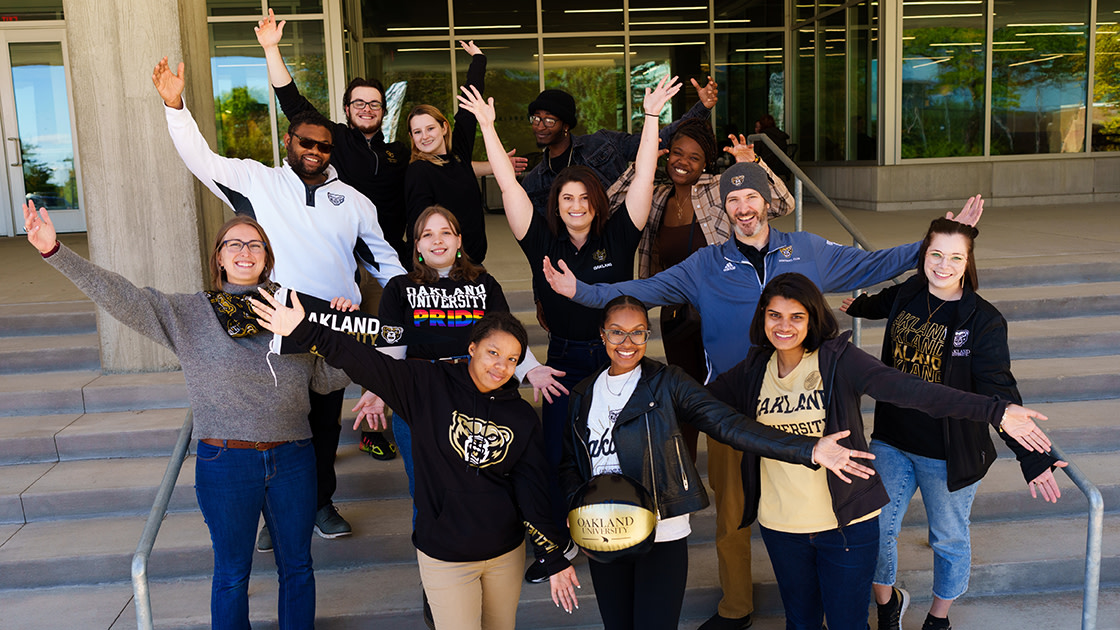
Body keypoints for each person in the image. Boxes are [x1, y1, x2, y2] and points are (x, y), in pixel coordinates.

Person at [541, 162, 985, 630]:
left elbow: (875, 264)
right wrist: (583, 292)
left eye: (750, 197)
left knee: (813, 507)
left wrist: (938, 249)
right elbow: (641, 290)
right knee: (733, 517)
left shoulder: (808, 249)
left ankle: (830, 589)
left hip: (806, 409)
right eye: (732, 200)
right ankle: (737, 606)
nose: (743, 207)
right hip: (733, 413)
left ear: (768, 201)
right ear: (724, 209)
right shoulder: (705, 264)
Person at [24, 204, 348, 629]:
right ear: (219, 256)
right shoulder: (190, 313)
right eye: (235, 244)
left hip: (293, 458)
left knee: (299, 568)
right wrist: (55, 251)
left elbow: (326, 381)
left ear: (268, 256)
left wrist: (341, 332)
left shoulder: (296, 310)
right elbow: (122, 297)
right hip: (227, 462)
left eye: (255, 245)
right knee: (232, 576)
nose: (245, 252)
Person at [706, 272, 1052, 630]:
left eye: (797, 316)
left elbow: (913, 390)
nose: (784, 326)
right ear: (762, 316)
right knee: (801, 622)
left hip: (845, 527)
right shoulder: (751, 372)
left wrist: (995, 410)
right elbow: (699, 405)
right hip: (782, 526)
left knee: (848, 624)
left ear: (812, 318)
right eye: (774, 315)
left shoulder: (837, 359)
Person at [153, 57, 407, 542]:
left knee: (325, 419)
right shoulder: (256, 181)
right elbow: (200, 160)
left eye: (325, 146)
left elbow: (386, 265)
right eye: (306, 142)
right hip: (274, 318)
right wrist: (174, 106)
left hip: (335, 320)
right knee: (281, 420)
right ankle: (275, 517)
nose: (315, 151)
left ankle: (320, 503)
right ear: (288, 142)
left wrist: (408, 308)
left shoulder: (355, 201)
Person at [252, 292, 581, 630]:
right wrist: (304, 330)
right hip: (446, 555)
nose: (500, 366)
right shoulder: (427, 385)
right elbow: (363, 359)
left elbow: (532, 490)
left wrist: (552, 556)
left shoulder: (522, 417)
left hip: (504, 554)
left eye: (512, 360)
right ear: (472, 348)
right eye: (493, 353)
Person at [457, 75, 676, 583]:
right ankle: (560, 542)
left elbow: (644, 176)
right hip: (561, 359)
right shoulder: (542, 240)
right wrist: (488, 127)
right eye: (565, 198)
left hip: (616, 360)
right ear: (555, 203)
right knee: (554, 451)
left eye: (583, 198)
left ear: (597, 202)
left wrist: (649, 118)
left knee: (621, 445)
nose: (575, 205)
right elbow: (510, 186)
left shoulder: (618, 234)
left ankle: (629, 522)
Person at [559, 295, 878, 630]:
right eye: (616, 332)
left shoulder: (669, 382)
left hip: (661, 528)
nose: (627, 343)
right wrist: (575, 505)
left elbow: (731, 425)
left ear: (648, 335)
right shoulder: (583, 393)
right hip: (602, 528)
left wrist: (808, 450)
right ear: (602, 335)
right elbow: (569, 463)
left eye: (638, 332)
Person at [840, 219, 1066, 630]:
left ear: (967, 262)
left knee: (948, 538)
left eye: (955, 257)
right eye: (936, 254)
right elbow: (883, 303)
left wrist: (1033, 456)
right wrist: (859, 307)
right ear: (924, 255)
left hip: (948, 451)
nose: (943, 265)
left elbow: (1000, 392)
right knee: (874, 528)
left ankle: (937, 619)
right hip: (891, 438)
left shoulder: (983, 320)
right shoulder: (909, 291)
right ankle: (888, 605)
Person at [351, 205, 566, 523]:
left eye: (445, 233)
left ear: (459, 240)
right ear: (418, 246)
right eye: (427, 235)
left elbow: (505, 334)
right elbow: (393, 347)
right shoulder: (400, 288)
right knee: (426, 490)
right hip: (423, 393)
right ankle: (435, 559)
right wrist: (378, 388)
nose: (437, 241)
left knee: (487, 482)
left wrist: (530, 368)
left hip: (478, 390)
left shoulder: (484, 283)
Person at [603, 118, 793, 459]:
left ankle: (744, 469)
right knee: (684, 394)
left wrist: (752, 164)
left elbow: (782, 204)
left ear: (705, 163)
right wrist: (639, 166)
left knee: (733, 393)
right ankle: (685, 469)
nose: (683, 162)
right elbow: (607, 206)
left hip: (723, 311)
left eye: (693, 157)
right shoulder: (656, 195)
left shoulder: (718, 188)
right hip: (677, 315)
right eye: (677, 153)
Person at [521, 77, 718, 216]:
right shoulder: (533, 183)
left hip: (613, 242)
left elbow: (656, 140)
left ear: (565, 125)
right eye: (536, 118)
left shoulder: (602, 144)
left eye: (549, 121)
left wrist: (702, 107)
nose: (540, 126)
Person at [404, 40, 490, 264]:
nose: (425, 136)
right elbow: (418, 223)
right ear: (412, 137)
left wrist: (479, 60)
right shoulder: (419, 171)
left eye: (430, 128)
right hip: (442, 267)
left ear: (444, 128)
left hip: (474, 262)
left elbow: (469, 103)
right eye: (417, 132)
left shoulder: (458, 153)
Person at [754, 114, 790, 180]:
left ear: (761, 125)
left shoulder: (762, 137)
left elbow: (755, 154)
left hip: (765, 167)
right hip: (781, 167)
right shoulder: (780, 136)